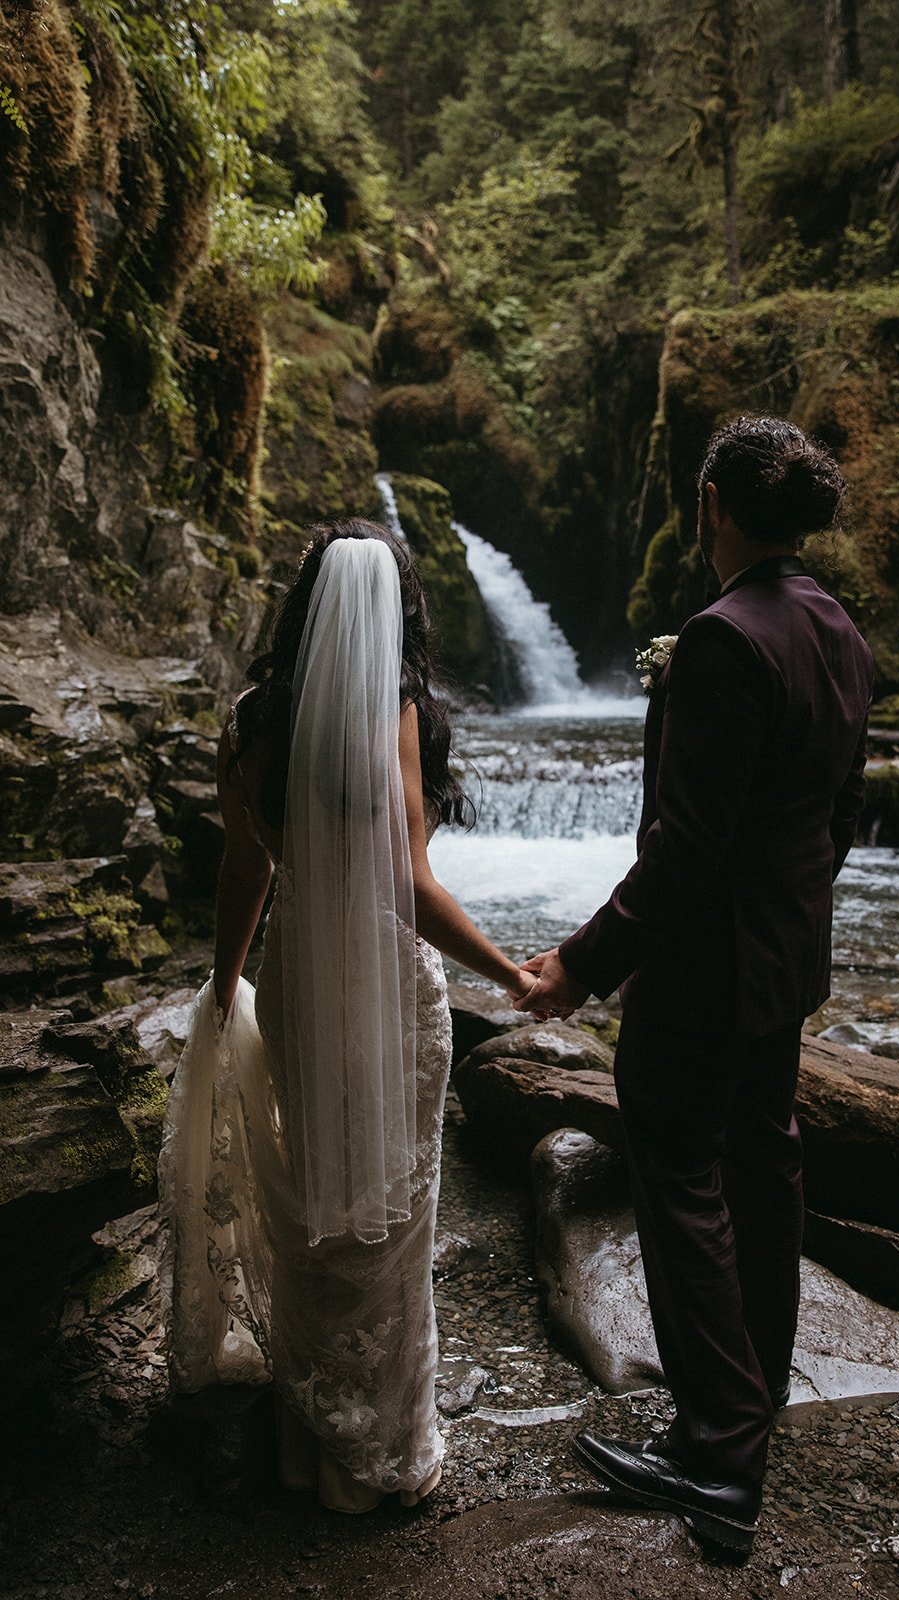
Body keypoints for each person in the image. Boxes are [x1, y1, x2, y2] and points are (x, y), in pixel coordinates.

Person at [516, 416, 874, 1557]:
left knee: (677, 1176)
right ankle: (746, 1402)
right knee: (762, 1169)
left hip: (703, 967)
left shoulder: (720, 639)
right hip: (784, 956)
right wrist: (795, 909)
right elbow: (841, 813)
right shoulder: (831, 622)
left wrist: (580, 963)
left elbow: (683, 852)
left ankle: (716, 1456)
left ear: (716, 505)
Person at [160, 521, 534, 1514]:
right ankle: (379, 1449)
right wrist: (510, 973)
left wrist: (223, 984)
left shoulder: (246, 721)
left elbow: (245, 871)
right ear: (397, 609)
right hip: (386, 984)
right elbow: (409, 885)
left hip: (293, 976)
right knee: (392, 1209)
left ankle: (306, 1442)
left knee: (315, 1197)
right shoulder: (394, 710)